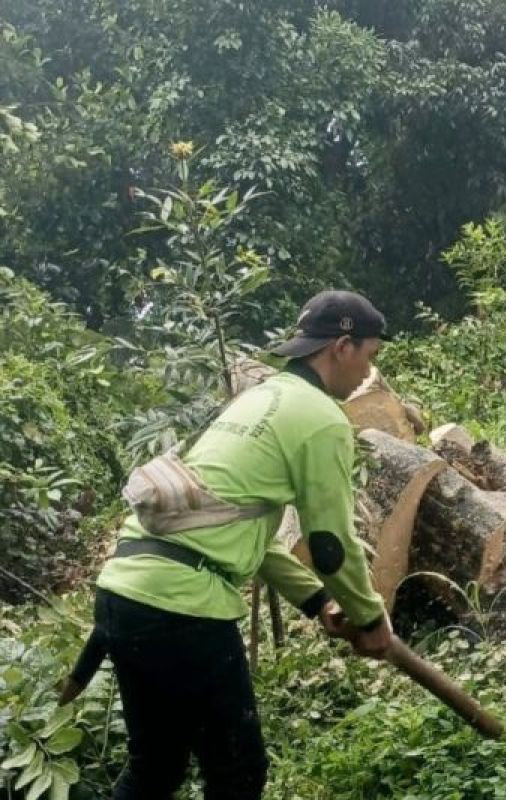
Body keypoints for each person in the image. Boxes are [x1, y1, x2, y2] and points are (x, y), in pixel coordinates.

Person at [90, 290, 396, 798]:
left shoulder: (257, 399)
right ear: (343, 347)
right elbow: (329, 544)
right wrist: (369, 617)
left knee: (156, 767)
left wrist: (318, 602)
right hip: (182, 608)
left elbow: (244, 534)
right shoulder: (322, 418)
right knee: (238, 773)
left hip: (124, 588)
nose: (369, 373)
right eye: (370, 355)